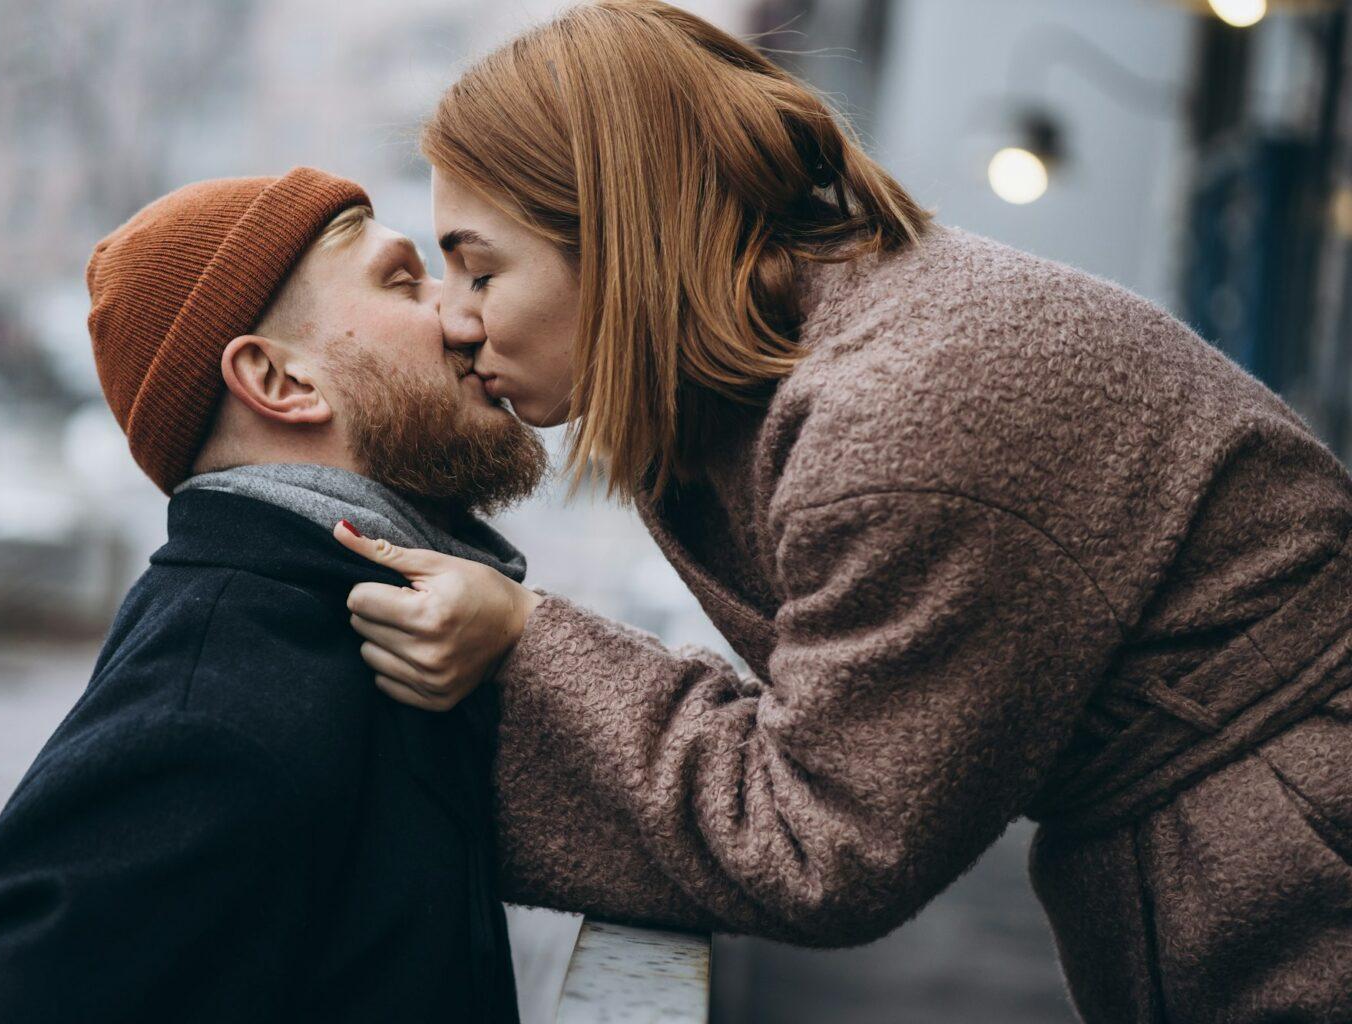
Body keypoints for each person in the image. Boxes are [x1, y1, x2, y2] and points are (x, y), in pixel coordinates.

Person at [330, 3, 1352, 1021]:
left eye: (479, 266)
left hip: (1299, 878)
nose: (454, 319)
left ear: (614, 226)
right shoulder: (807, 372)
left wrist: (524, 639)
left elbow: (822, 839)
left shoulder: (900, 418)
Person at [0, 168, 544, 1024]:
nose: (461, 313)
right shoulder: (207, 722)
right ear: (281, 381)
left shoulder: (371, 624)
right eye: (403, 280)